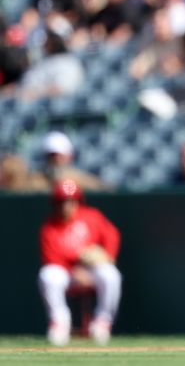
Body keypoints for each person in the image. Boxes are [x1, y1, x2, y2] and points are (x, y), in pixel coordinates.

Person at [38, 179, 122, 346]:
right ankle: (60, 322)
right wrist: (73, 270)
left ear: (78, 201)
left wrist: (108, 255)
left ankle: (102, 322)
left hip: (92, 270)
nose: (66, 206)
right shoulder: (49, 226)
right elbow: (51, 257)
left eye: (70, 201)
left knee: (111, 275)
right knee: (48, 275)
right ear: (55, 204)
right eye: (62, 202)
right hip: (67, 273)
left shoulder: (92, 216)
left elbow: (112, 236)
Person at [41, 131, 105, 190]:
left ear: (70, 156)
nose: (56, 159)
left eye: (60, 155)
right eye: (52, 156)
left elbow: (102, 187)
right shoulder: (38, 181)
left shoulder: (83, 180)